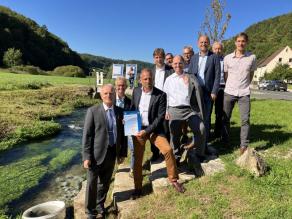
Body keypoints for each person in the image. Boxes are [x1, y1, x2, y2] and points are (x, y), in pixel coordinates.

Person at [130, 68, 185, 199]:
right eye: (145, 79)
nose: (148, 81)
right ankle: (138, 188)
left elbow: (160, 118)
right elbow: (132, 108)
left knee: (167, 150)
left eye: (150, 78)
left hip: (153, 129)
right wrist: (128, 122)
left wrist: (147, 131)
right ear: (140, 80)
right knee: (137, 160)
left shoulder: (160, 95)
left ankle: (173, 179)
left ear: (153, 79)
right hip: (138, 129)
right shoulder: (136, 92)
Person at [82, 84, 127, 219]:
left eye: (111, 93)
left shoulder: (120, 111)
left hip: (112, 153)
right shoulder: (93, 111)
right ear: (101, 95)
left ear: (115, 95)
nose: (109, 96)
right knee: (91, 184)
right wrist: (86, 156)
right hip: (95, 155)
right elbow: (87, 135)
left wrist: (122, 153)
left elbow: (123, 134)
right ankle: (90, 211)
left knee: (105, 183)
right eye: (106, 93)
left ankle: (100, 206)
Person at [164, 56, 206, 164]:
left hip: (189, 109)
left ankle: (199, 153)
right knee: (174, 133)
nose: (178, 65)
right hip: (174, 109)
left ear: (184, 64)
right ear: (172, 65)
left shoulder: (190, 77)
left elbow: (198, 90)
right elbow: (166, 97)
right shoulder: (169, 80)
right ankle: (176, 155)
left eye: (180, 63)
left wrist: (189, 83)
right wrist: (166, 111)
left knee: (201, 129)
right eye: (175, 63)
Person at [222, 32, 256, 154]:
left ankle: (244, 146)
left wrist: (245, 85)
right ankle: (225, 142)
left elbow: (251, 75)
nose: (241, 43)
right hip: (229, 92)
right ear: (235, 42)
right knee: (225, 118)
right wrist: (231, 85)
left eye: (243, 41)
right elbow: (226, 75)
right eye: (239, 41)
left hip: (244, 93)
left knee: (245, 120)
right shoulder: (227, 58)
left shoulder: (252, 57)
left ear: (246, 43)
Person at [188, 35, 221, 144]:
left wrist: (214, 91)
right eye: (201, 42)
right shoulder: (194, 58)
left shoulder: (214, 57)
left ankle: (205, 141)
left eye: (205, 42)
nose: (203, 44)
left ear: (209, 43)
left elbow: (217, 75)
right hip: (196, 92)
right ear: (198, 44)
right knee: (196, 116)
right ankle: (196, 138)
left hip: (208, 93)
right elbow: (190, 74)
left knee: (206, 117)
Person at [150, 48, 174, 161]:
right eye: (156, 57)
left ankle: (166, 152)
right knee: (153, 128)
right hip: (153, 102)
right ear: (154, 58)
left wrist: (169, 108)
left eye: (161, 57)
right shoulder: (151, 71)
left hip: (166, 102)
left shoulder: (171, 70)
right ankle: (155, 153)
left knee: (165, 128)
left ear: (164, 58)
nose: (159, 59)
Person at [115, 77, 134, 177]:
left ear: (126, 86)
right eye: (119, 85)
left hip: (128, 128)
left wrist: (129, 120)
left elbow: (133, 115)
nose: (121, 87)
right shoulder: (110, 99)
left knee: (133, 148)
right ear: (115, 86)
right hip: (114, 128)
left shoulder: (130, 102)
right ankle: (113, 168)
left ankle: (133, 169)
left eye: (123, 85)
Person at [212, 42, 225, 139]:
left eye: (219, 49)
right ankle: (206, 132)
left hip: (221, 87)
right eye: (215, 49)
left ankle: (218, 131)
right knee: (207, 111)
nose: (217, 50)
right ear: (212, 50)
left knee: (219, 112)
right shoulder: (209, 59)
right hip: (210, 88)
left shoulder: (225, 60)